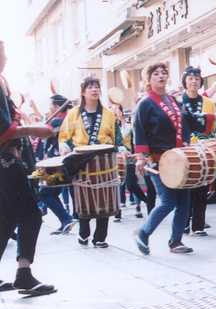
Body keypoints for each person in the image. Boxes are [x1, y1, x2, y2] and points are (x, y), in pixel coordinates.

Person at [133, 63, 216, 255]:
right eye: (155, 73)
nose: (161, 76)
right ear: (148, 79)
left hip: (180, 158)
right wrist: (141, 157)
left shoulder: (173, 99)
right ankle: (143, 232)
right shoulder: (145, 103)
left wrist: (211, 119)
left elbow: (188, 119)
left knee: (183, 201)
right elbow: (138, 131)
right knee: (168, 201)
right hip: (160, 159)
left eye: (164, 73)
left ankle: (176, 241)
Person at [0, 39, 57, 296]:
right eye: (3, 53)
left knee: (7, 219)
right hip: (5, 162)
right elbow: (4, 129)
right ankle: (24, 274)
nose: (6, 58)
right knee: (31, 215)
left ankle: (23, 273)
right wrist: (38, 130)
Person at [58, 77, 124, 248]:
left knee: (105, 197)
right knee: (82, 197)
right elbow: (64, 137)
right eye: (90, 87)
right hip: (81, 160)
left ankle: (100, 237)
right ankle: (84, 233)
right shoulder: (73, 114)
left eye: (96, 87)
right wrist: (64, 147)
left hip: (104, 160)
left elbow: (117, 138)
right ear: (83, 92)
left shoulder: (109, 114)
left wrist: (121, 149)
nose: (94, 90)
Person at [180, 66, 216, 236]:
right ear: (185, 82)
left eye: (197, 78)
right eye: (190, 78)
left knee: (202, 187)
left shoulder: (209, 103)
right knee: (185, 187)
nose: (194, 81)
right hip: (185, 150)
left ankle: (198, 225)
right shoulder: (177, 102)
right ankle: (183, 222)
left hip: (205, 150)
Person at [39, 94, 77, 235]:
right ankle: (66, 220)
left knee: (45, 193)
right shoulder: (69, 118)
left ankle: (66, 219)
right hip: (65, 162)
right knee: (52, 193)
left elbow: (43, 134)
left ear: (56, 106)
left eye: (50, 105)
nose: (49, 108)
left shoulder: (57, 121)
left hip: (56, 164)